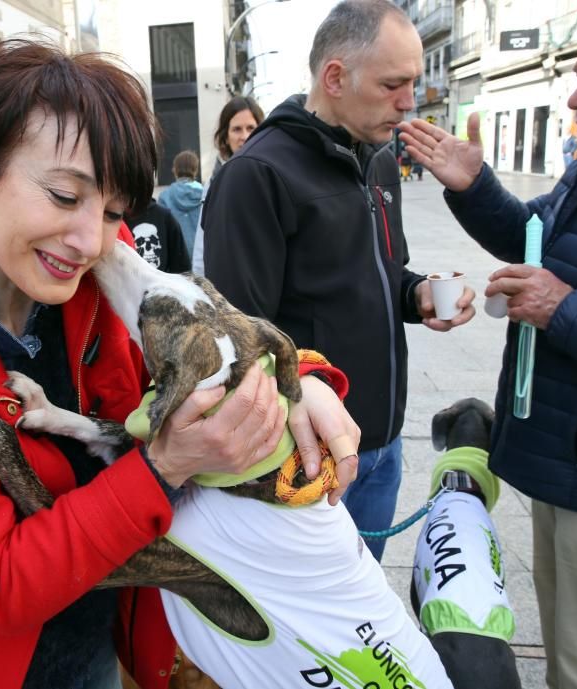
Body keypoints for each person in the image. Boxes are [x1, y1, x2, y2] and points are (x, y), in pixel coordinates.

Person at [0, 39, 359, 689]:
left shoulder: (94, 247)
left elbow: (206, 331)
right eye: (62, 194)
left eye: (111, 210)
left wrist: (299, 383)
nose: (90, 241)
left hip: (110, 636)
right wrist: (167, 465)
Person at [398, 0, 577, 686]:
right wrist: (475, 187)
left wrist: (565, 308)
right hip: (571, 467)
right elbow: (539, 240)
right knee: (572, 665)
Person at [202, 0, 476, 562]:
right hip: (310, 457)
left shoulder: (376, 160)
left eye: (414, 83)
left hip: (385, 443)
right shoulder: (256, 174)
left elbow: (378, 271)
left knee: (357, 624)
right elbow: (239, 335)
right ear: (335, 77)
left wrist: (415, 292)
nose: (409, 101)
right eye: (393, 84)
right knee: (311, 635)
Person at [191, 96, 265, 275]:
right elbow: (203, 240)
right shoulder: (215, 182)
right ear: (225, 137)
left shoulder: (273, 176)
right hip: (229, 281)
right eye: (237, 129)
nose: (245, 136)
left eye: (251, 128)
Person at [124, 199, 191, 273]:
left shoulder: (164, 217)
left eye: (153, 241)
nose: (148, 248)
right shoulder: (116, 219)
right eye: (140, 241)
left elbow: (182, 267)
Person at [157, 150, 203, 256]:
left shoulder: (165, 196)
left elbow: (162, 232)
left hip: (176, 256)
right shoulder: (206, 194)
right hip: (202, 255)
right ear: (195, 169)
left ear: (175, 169)